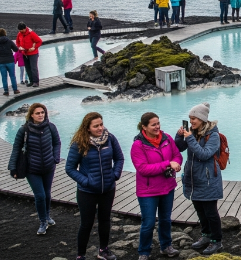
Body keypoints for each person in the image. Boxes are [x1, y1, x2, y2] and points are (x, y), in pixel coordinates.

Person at [65, 112, 124, 260]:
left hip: (108, 189)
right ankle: (80, 255)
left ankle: (103, 250)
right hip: (87, 191)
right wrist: (86, 182)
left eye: (101, 124)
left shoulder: (110, 138)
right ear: (88, 128)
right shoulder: (79, 143)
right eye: (96, 126)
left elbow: (119, 158)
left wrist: (114, 175)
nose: (100, 128)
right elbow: (70, 168)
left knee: (105, 220)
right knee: (86, 224)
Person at [175, 103, 224, 255]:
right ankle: (206, 236)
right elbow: (179, 148)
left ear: (202, 119)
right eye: (190, 118)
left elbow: (204, 154)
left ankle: (216, 241)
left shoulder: (213, 135)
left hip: (208, 180)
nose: (191, 122)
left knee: (210, 212)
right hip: (193, 179)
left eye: (194, 118)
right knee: (200, 211)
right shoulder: (193, 132)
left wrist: (190, 139)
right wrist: (180, 135)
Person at [132, 112, 182, 259]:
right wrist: (168, 164)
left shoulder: (167, 138)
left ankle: (166, 246)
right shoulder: (138, 145)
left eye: (158, 123)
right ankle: (144, 252)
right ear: (144, 127)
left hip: (167, 186)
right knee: (148, 222)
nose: (157, 127)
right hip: (148, 191)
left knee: (165, 219)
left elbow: (177, 155)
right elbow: (143, 168)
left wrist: (177, 163)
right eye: (153, 124)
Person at [8, 103, 60, 234]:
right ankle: (43, 221)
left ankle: (47, 216)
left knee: (47, 194)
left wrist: (56, 158)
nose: (41, 115)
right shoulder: (23, 130)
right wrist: (13, 168)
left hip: (49, 167)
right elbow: (16, 149)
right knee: (40, 195)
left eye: (42, 112)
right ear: (31, 115)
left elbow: (57, 143)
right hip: (32, 169)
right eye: (37, 113)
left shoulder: (51, 127)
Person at [16, 22, 42, 87]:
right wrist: (19, 47)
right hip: (24, 53)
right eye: (19, 30)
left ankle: (36, 82)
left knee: (33, 68)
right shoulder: (19, 34)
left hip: (33, 53)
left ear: (25, 28)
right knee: (27, 68)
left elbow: (39, 41)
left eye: (21, 30)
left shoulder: (31, 33)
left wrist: (34, 47)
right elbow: (17, 42)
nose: (21, 31)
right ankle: (31, 81)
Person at [0, 28, 19, 95]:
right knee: (12, 76)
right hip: (10, 61)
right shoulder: (9, 41)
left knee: (4, 77)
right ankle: (15, 90)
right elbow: (16, 50)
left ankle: (6, 91)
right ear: (5, 33)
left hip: (1, 62)